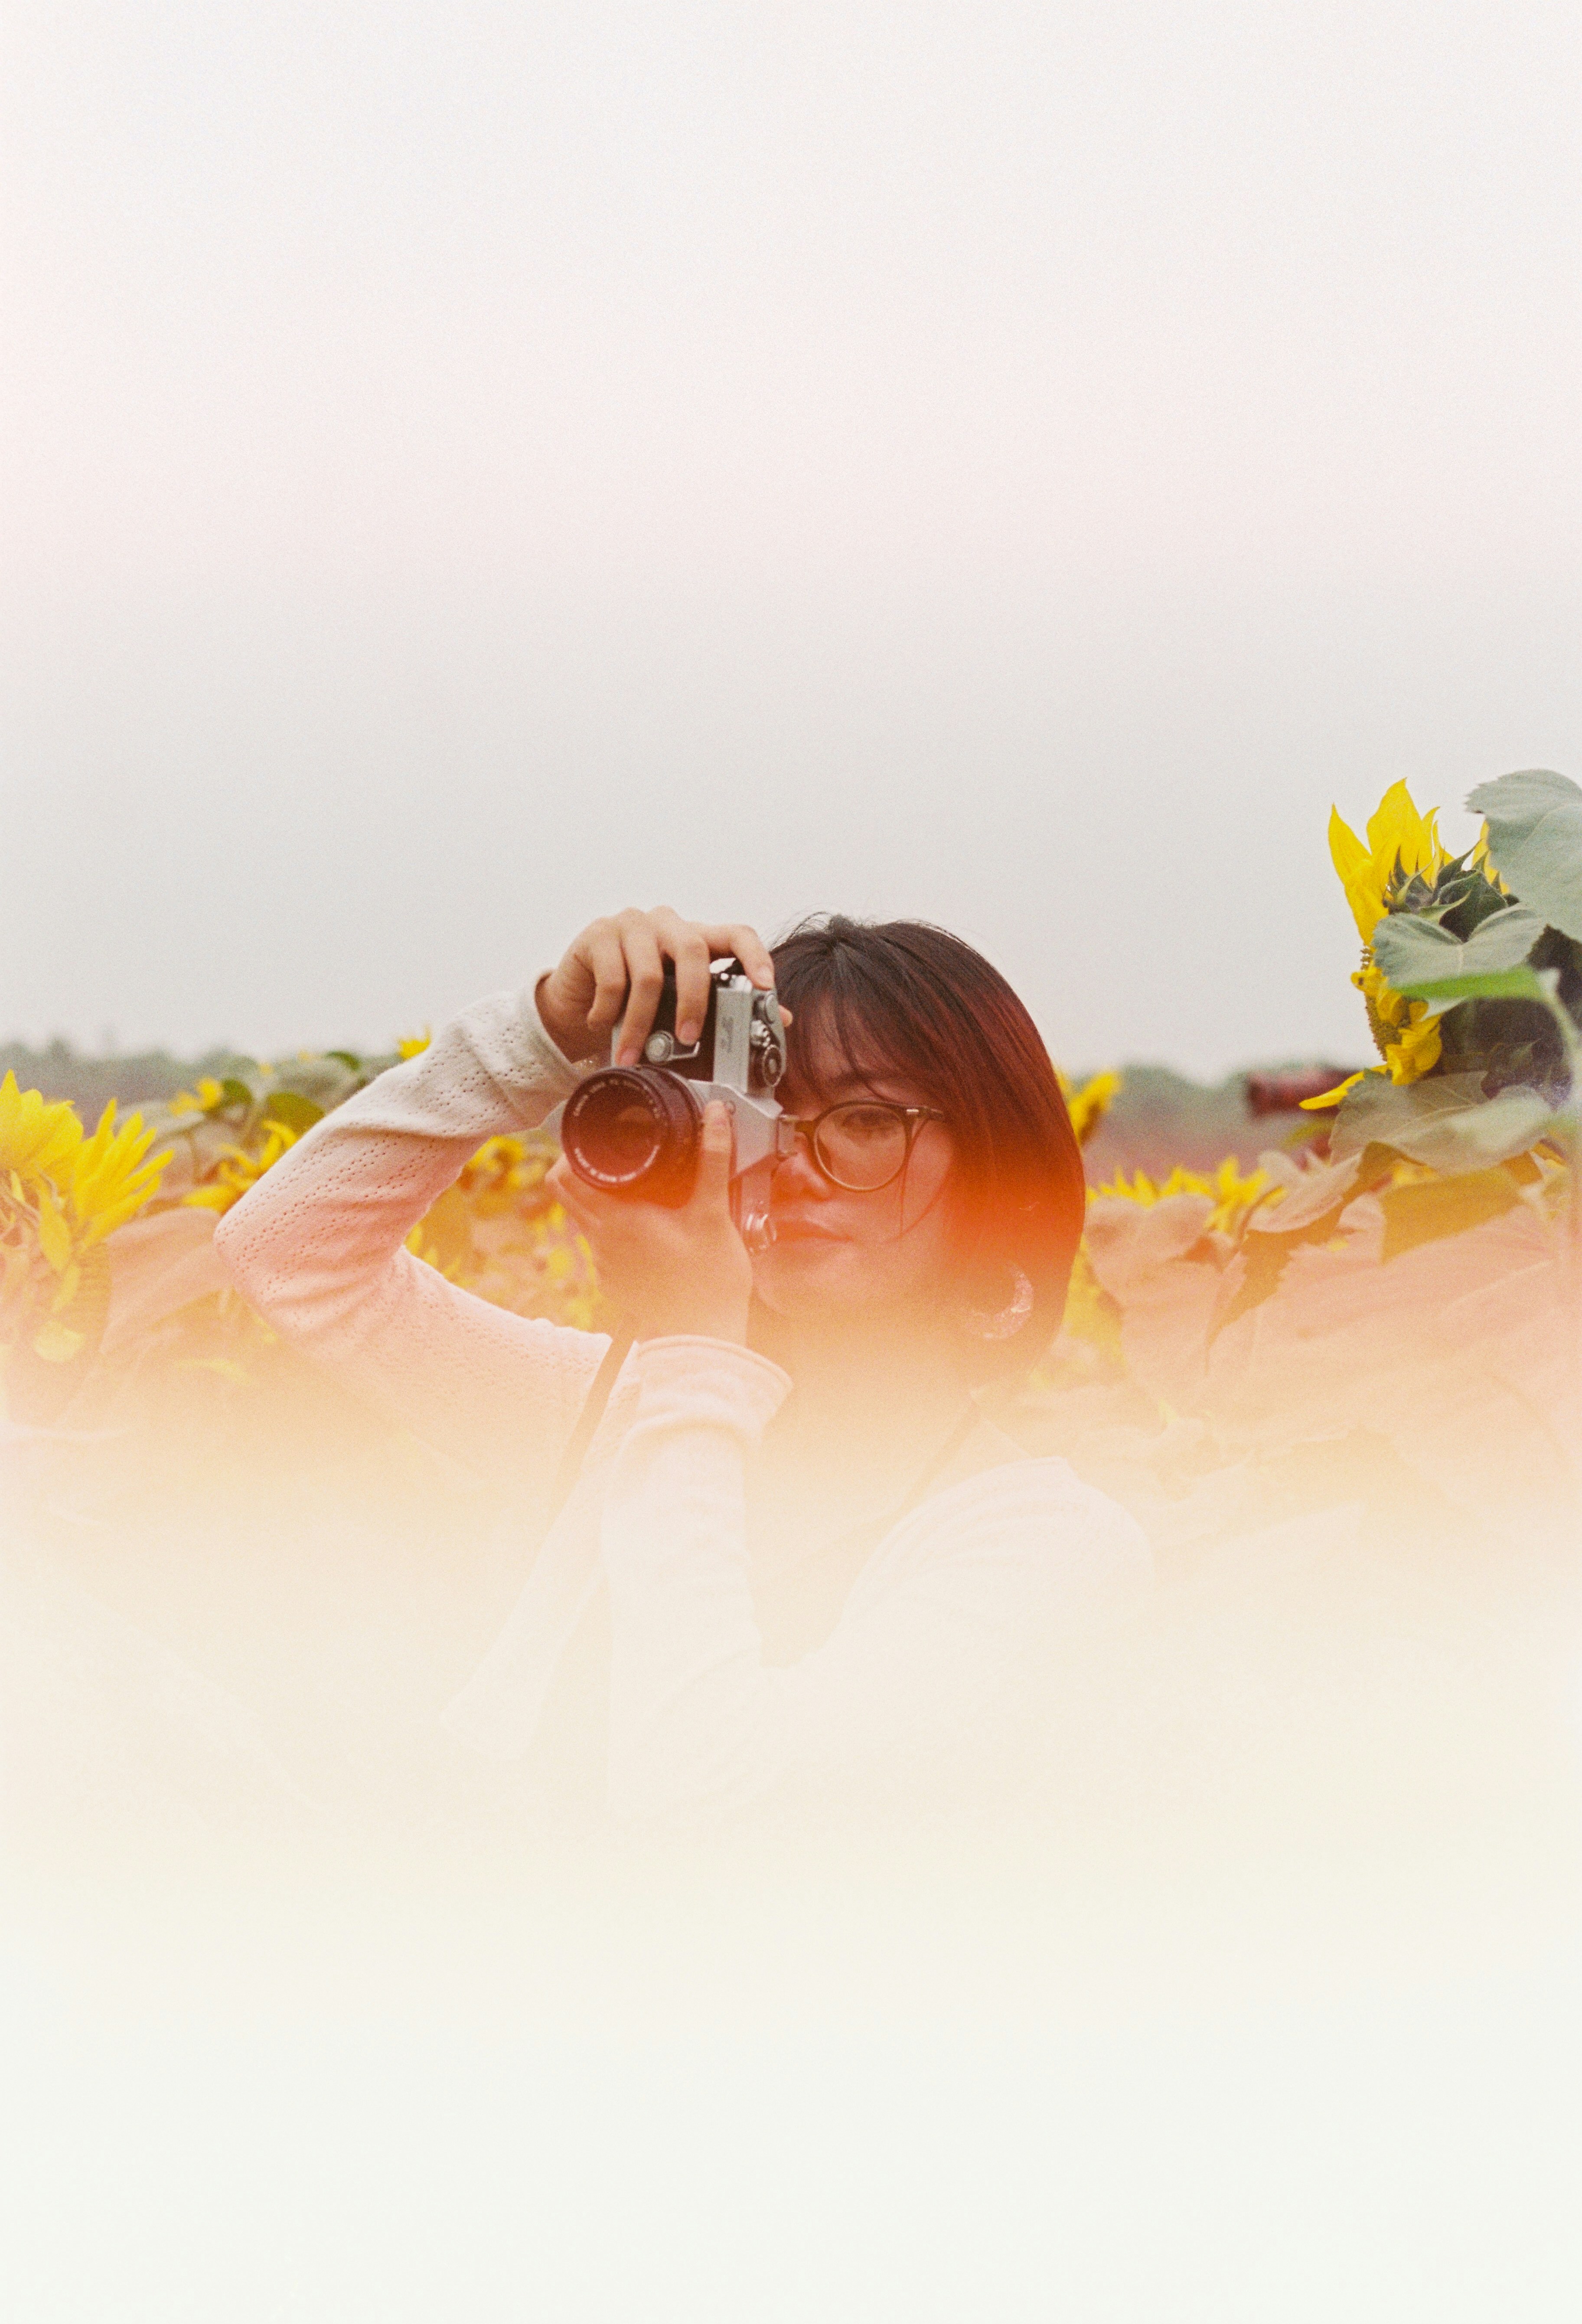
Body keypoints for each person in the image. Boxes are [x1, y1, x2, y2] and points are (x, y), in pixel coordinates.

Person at [215, 908, 1149, 1823]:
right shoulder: (621, 1413)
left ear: (994, 1165)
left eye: (865, 1118)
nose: (790, 1159)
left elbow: (705, 1798)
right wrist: (542, 1033)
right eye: (758, 1110)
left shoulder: (1052, 1544)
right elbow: (289, 1254)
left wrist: (700, 1335)